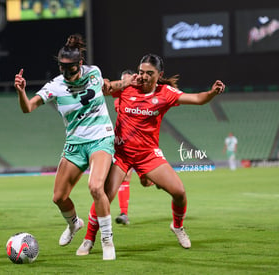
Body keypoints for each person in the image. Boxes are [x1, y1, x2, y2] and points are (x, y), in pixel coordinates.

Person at [76, 53, 225, 257]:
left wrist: (212, 92)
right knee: (104, 196)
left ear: (159, 74)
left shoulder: (166, 93)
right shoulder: (128, 87)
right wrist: (123, 82)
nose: (143, 76)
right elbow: (103, 88)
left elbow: (198, 99)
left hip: (148, 155)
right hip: (121, 154)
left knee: (179, 192)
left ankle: (177, 226)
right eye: (140, 72)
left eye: (149, 73)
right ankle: (88, 239)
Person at [14, 34, 116, 260]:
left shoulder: (94, 73)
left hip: (101, 138)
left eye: (70, 67)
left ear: (80, 64)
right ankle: (74, 224)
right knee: (58, 197)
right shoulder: (56, 86)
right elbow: (28, 108)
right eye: (62, 67)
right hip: (75, 143)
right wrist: (21, 91)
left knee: (96, 187)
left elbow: (107, 87)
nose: (66, 72)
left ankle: (107, 239)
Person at [114, 69, 154, 226]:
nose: (125, 83)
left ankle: (156, 180)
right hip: (125, 144)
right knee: (125, 177)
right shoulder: (120, 94)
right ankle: (124, 213)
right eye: (123, 80)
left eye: (128, 80)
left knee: (145, 182)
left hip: (143, 143)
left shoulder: (140, 95)